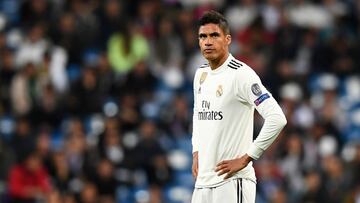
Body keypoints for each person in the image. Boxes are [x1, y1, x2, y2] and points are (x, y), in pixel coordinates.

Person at [191, 10, 287, 203]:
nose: (208, 42)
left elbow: (277, 118)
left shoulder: (241, 74)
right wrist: (196, 151)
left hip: (232, 182)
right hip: (202, 183)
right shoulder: (200, 74)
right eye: (203, 36)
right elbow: (198, 114)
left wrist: (248, 157)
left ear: (227, 39)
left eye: (214, 35)